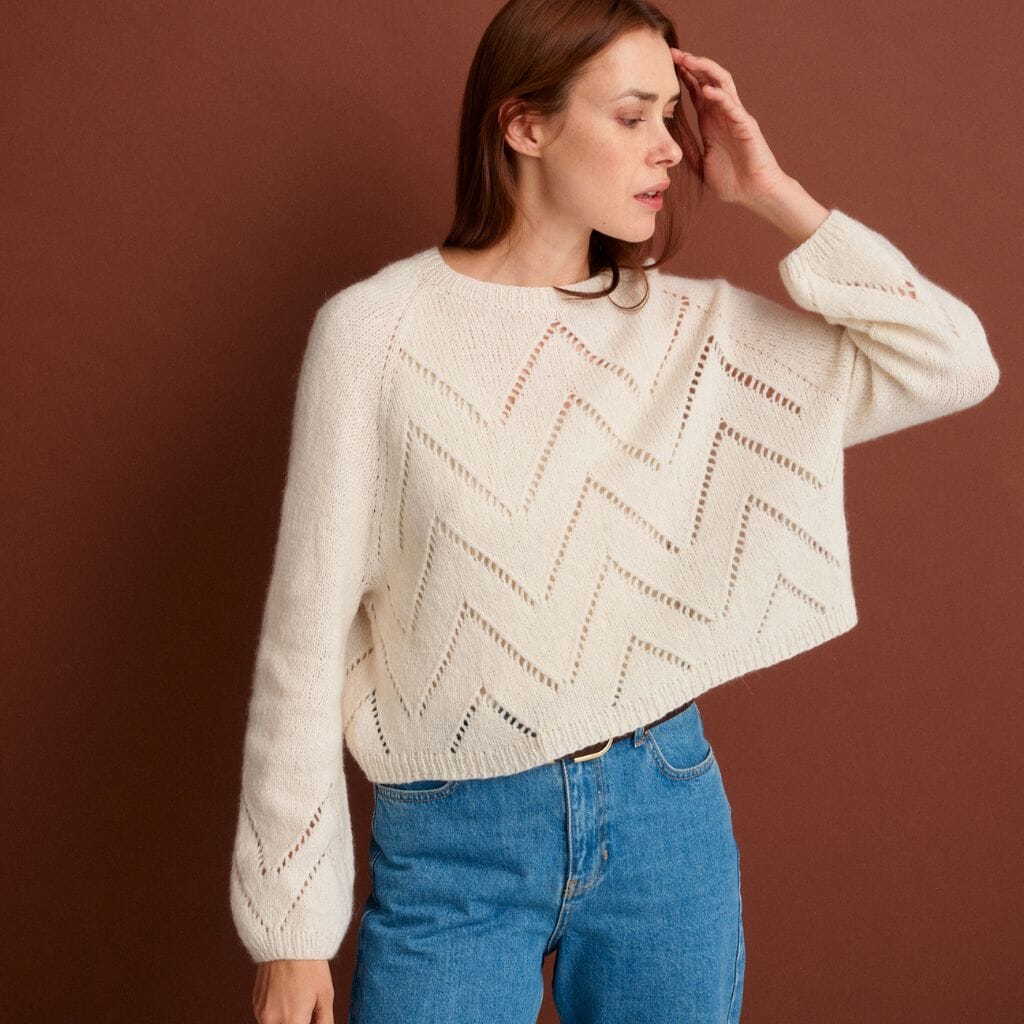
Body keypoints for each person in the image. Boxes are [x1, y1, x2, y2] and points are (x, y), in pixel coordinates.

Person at [228, 2, 1001, 1022]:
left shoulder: (694, 339)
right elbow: (304, 636)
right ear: (525, 125)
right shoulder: (374, 335)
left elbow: (954, 361)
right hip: (453, 842)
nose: (668, 150)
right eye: (633, 116)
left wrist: (774, 194)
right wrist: (290, 929)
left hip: (661, 812)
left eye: (671, 118)